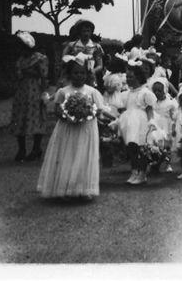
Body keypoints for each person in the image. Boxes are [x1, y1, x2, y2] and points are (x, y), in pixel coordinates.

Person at [36, 55, 112, 200]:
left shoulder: (92, 92)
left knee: (83, 156)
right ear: (69, 74)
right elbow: (57, 110)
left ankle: (83, 189)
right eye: (75, 73)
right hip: (67, 128)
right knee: (68, 155)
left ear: (87, 74)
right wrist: (68, 116)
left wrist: (88, 113)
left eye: (82, 73)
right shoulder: (63, 91)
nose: (79, 76)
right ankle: (65, 188)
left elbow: (99, 110)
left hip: (86, 128)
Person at [10, 31, 49, 162]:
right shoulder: (20, 60)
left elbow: (44, 77)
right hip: (22, 92)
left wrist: (44, 93)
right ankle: (21, 149)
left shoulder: (39, 58)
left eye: (22, 46)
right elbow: (17, 75)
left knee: (36, 119)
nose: (20, 49)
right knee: (20, 119)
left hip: (35, 92)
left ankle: (36, 148)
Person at [117, 62, 157, 185]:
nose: (128, 80)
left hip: (141, 122)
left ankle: (142, 173)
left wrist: (151, 121)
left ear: (138, 77)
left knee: (142, 148)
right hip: (129, 122)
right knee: (131, 147)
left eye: (131, 77)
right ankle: (134, 171)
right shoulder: (127, 94)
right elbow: (124, 109)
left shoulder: (145, 92)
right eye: (127, 77)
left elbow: (149, 109)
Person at [63, 19, 104, 87]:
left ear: (91, 32)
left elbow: (100, 65)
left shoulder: (96, 46)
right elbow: (63, 60)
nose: (86, 33)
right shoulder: (71, 45)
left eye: (88, 31)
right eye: (83, 31)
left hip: (89, 78)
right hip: (73, 77)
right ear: (79, 32)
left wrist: (93, 71)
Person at [151, 80, 177, 173]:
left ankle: (168, 164)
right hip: (156, 126)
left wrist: (173, 127)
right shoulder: (153, 102)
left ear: (165, 91)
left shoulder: (170, 103)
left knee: (167, 146)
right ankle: (156, 162)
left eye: (159, 91)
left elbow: (174, 116)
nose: (157, 93)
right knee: (156, 145)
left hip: (167, 126)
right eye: (155, 91)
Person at [102, 54, 128, 119]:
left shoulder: (113, 76)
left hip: (111, 96)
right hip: (113, 96)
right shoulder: (115, 77)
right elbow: (110, 90)